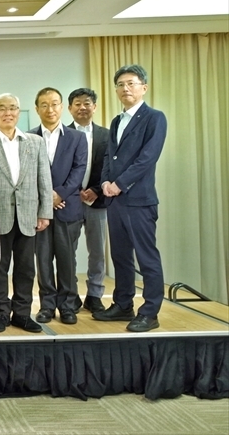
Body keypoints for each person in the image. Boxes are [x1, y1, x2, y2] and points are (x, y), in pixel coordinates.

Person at [94, 64, 167, 333]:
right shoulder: (116, 121)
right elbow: (107, 158)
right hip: (114, 200)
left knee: (147, 258)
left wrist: (120, 184)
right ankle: (123, 304)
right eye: (121, 84)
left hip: (138, 200)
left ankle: (150, 312)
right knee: (121, 257)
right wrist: (104, 183)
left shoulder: (154, 118)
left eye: (131, 83)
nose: (126, 88)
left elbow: (147, 158)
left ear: (143, 87)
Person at [0, 94, 53, 333]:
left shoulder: (35, 142)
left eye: (13, 108)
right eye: (2, 109)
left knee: (26, 268)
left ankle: (22, 313)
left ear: (19, 112)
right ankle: (0, 313)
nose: (8, 113)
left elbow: (44, 181)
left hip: (28, 216)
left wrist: (44, 212)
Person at [29, 88, 87, 325]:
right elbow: (26, 175)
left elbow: (79, 170)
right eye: (44, 105)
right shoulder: (29, 137)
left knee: (67, 260)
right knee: (43, 261)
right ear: (37, 109)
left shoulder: (77, 137)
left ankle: (67, 305)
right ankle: (47, 305)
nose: (50, 109)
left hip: (68, 208)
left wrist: (58, 194)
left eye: (54, 104)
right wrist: (45, 198)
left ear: (62, 107)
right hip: (40, 211)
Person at [68, 88, 110, 313]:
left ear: (94, 107)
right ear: (70, 108)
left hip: (97, 202)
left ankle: (95, 294)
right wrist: (70, 192)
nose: (82, 107)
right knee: (68, 251)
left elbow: (112, 168)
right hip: (70, 202)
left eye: (87, 103)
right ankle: (71, 294)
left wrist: (96, 190)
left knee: (97, 251)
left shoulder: (107, 135)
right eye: (77, 103)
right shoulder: (62, 134)